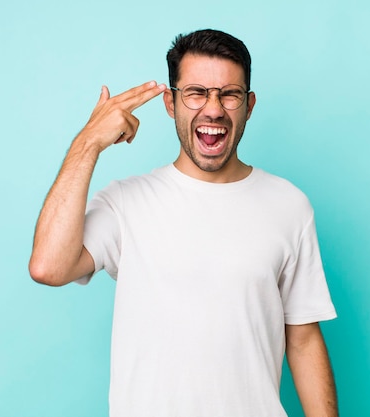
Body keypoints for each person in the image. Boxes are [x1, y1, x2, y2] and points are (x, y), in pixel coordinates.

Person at [29, 29, 338, 417]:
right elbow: (48, 267)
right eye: (196, 92)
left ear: (249, 104)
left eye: (229, 94)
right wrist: (88, 143)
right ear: (170, 103)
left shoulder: (290, 206)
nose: (214, 109)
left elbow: (304, 338)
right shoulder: (126, 202)